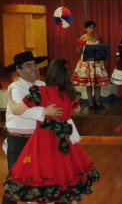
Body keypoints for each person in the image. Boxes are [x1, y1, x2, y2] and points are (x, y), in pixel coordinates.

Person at [4, 58, 100, 204]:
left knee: (40, 180)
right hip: (63, 141)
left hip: (43, 141)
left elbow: (17, 109)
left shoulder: (41, 91)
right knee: (64, 180)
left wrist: (9, 99)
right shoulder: (71, 93)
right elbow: (77, 109)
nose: (34, 68)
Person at [1, 51, 66, 204]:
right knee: (15, 181)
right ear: (19, 70)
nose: (34, 68)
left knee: (46, 176)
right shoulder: (15, 88)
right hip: (19, 141)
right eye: (28, 66)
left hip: (39, 140)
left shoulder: (42, 85)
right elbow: (21, 111)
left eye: (35, 65)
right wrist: (45, 111)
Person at [71, 20, 110, 109]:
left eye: (93, 27)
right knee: (89, 82)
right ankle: (90, 102)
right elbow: (79, 52)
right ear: (86, 28)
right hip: (87, 62)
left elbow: (100, 49)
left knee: (98, 83)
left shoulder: (97, 36)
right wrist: (80, 47)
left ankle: (97, 101)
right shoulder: (82, 38)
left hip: (97, 62)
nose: (92, 29)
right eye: (90, 28)